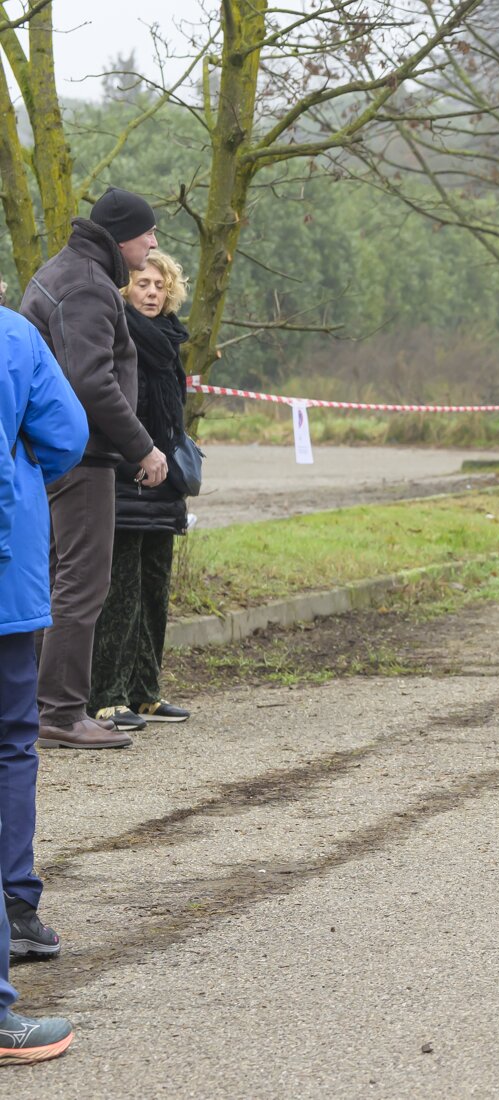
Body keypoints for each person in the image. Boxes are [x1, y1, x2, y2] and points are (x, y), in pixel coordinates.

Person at [19, 187, 166, 749]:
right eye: (148, 233)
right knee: (82, 582)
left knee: (57, 579)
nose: (153, 243)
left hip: (52, 451)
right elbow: (91, 381)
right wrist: (143, 448)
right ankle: (60, 712)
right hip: (78, 456)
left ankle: (36, 708)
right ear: (123, 236)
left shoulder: (66, 271)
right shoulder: (87, 286)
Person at [0, 304, 87, 1064]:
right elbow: (66, 435)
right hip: (6, 574)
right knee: (11, 742)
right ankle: (16, 903)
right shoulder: (13, 336)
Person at [89, 251, 194, 731]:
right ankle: (107, 697)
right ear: (125, 288)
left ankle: (145, 692)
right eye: (143, 283)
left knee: (155, 590)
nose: (152, 292)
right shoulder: (117, 335)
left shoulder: (170, 340)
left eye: (160, 285)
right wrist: (136, 457)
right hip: (124, 477)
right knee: (120, 593)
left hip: (164, 482)